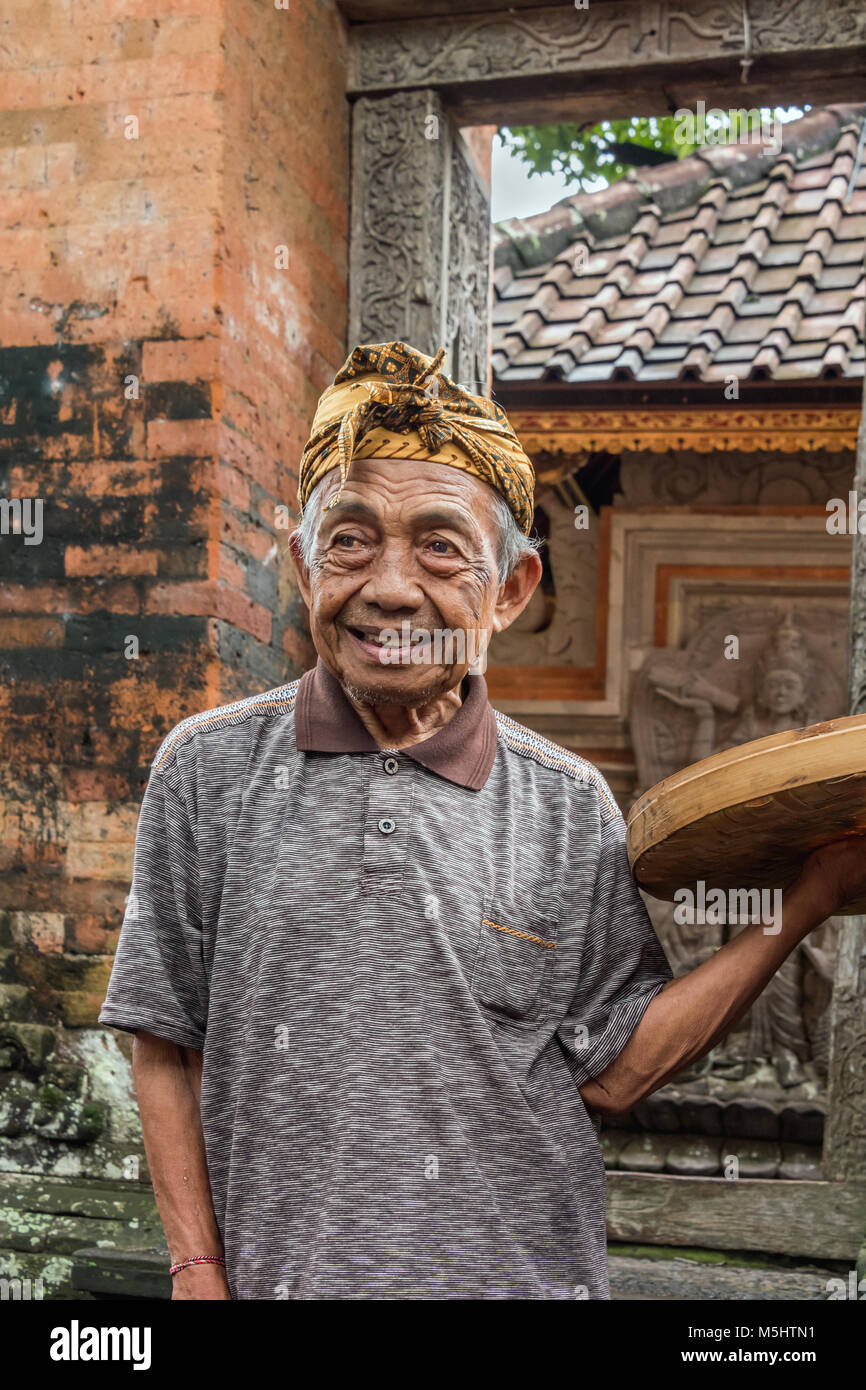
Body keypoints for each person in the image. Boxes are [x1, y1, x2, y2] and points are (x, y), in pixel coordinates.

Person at [99, 341, 866, 1300]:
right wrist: (198, 1271)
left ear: (509, 591)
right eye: (349, 540)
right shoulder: (208, 770)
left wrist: (808, 900)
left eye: (439, 545)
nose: (388, 586)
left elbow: (617, 1073)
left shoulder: (568, 804)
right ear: (303, 565)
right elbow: (164, 1043)